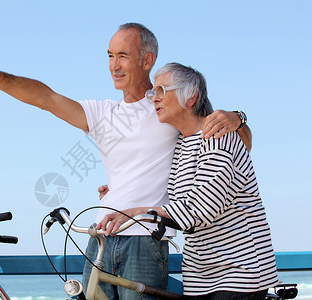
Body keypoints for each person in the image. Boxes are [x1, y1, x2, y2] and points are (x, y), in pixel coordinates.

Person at [0, 23, 251, 299]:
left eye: (123, 56)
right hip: (100, 236)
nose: (114, 66)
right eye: (109, 55)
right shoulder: (103, 113)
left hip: (145, 241)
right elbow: (45, 98)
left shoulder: (168, 105)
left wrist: (239, 118)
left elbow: (236, 143)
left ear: (147, 60)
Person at [98, 62, 278, 299]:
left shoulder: (216, 137)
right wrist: (123, 188)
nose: (154, 98)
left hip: (239, 272)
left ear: (191, 97)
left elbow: (202, 208)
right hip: (199, 275)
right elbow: (172, 188)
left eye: (163, 90)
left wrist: (134, 211)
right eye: (154, 92)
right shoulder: (182, 144)